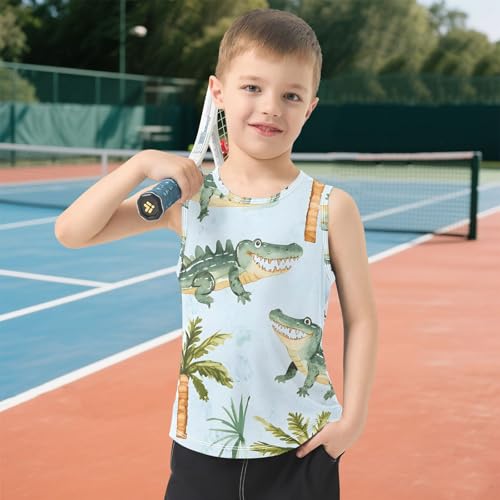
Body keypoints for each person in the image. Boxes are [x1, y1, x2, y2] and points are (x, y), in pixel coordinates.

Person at [55, 8, 378, 500]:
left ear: (309, 107)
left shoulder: (333, 207)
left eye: (290, 95)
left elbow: (362, 318)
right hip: (201, 445)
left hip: (301, 448)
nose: (270, 107)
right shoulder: (187, 201)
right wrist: (138, 165)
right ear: (218, 92)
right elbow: (72, 232)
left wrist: (352, 421)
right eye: (252, 87)